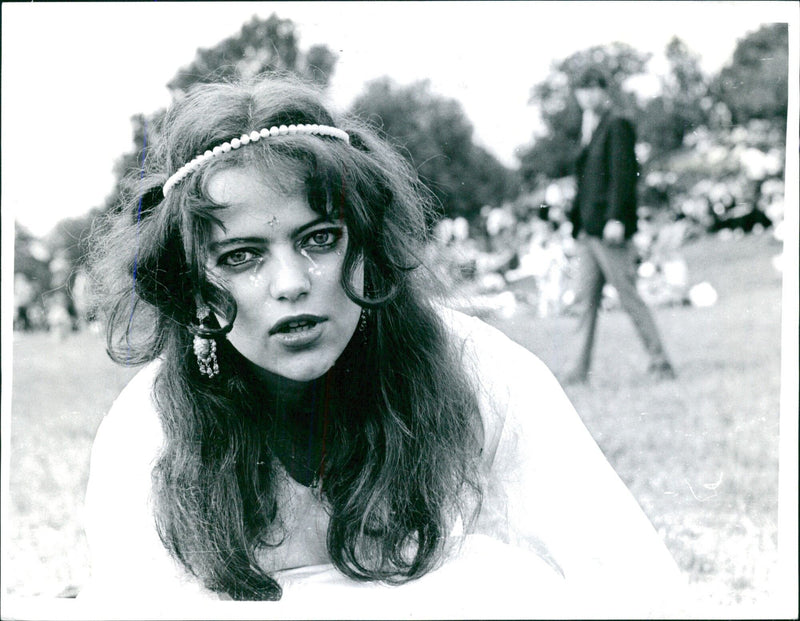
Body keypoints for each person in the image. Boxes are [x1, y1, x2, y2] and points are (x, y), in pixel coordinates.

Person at [80, 74, 685, 617]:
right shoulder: (150, 425)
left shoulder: (479, 369)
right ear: (195, 288)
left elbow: (625, 577)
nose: (291, 284)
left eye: (320, 239)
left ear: (366, 247)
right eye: (241, 257)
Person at [564, 67, 676, 384]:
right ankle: (576, 372)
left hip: (608, 228)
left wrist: (616, 218)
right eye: (581, 89)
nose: (586, 94)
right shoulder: (591, 128)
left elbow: (623, 177)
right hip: (587, 231)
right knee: (583, 302)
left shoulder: (618, 124)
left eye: (592, 87)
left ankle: (661, 363)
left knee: (628, 297)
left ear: (604, 90)